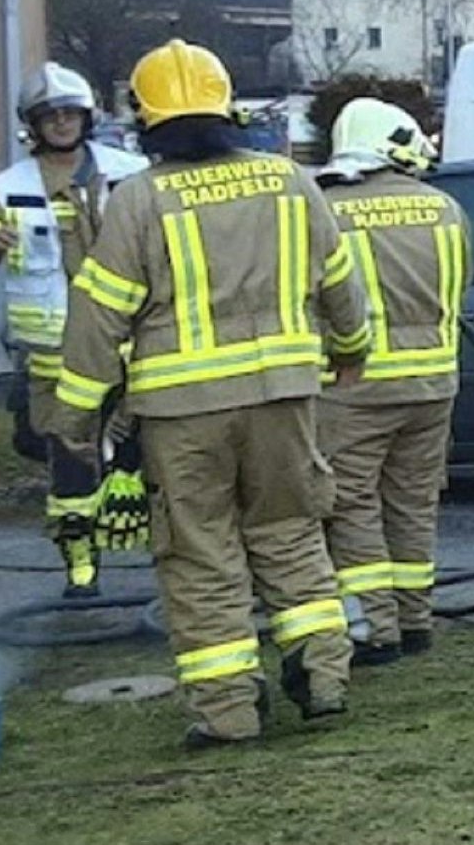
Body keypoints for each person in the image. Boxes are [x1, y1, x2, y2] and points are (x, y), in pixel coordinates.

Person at [49, 40, 373, 749]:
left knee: (202, 556)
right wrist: (351, 351)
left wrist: (75, 418)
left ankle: (229, 712)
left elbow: (97, 315)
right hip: (285, 401)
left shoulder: (139, 201)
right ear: (226, 110)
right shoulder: (290, 181)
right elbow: (341, 283)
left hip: (181, 413)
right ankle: (323, 677)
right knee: (291, 534)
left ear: (146, 119)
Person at [0, 63, 149, 599]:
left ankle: (172, 556)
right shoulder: (8, 190)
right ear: (32, 125)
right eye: (49, 115)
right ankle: (80, 561)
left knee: (158, 451)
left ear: (87, 117)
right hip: (57, 357)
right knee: (69, 462)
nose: (60, 123)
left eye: (69, 114)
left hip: (136, 346)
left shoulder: (131, 172)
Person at [313, 98, 467, 666]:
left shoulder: (327, 211)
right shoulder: (445, 208)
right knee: (413, 502)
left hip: (357, 385)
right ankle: (415, 618)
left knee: (352, 504)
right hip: (434, 383)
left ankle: (375, 629)